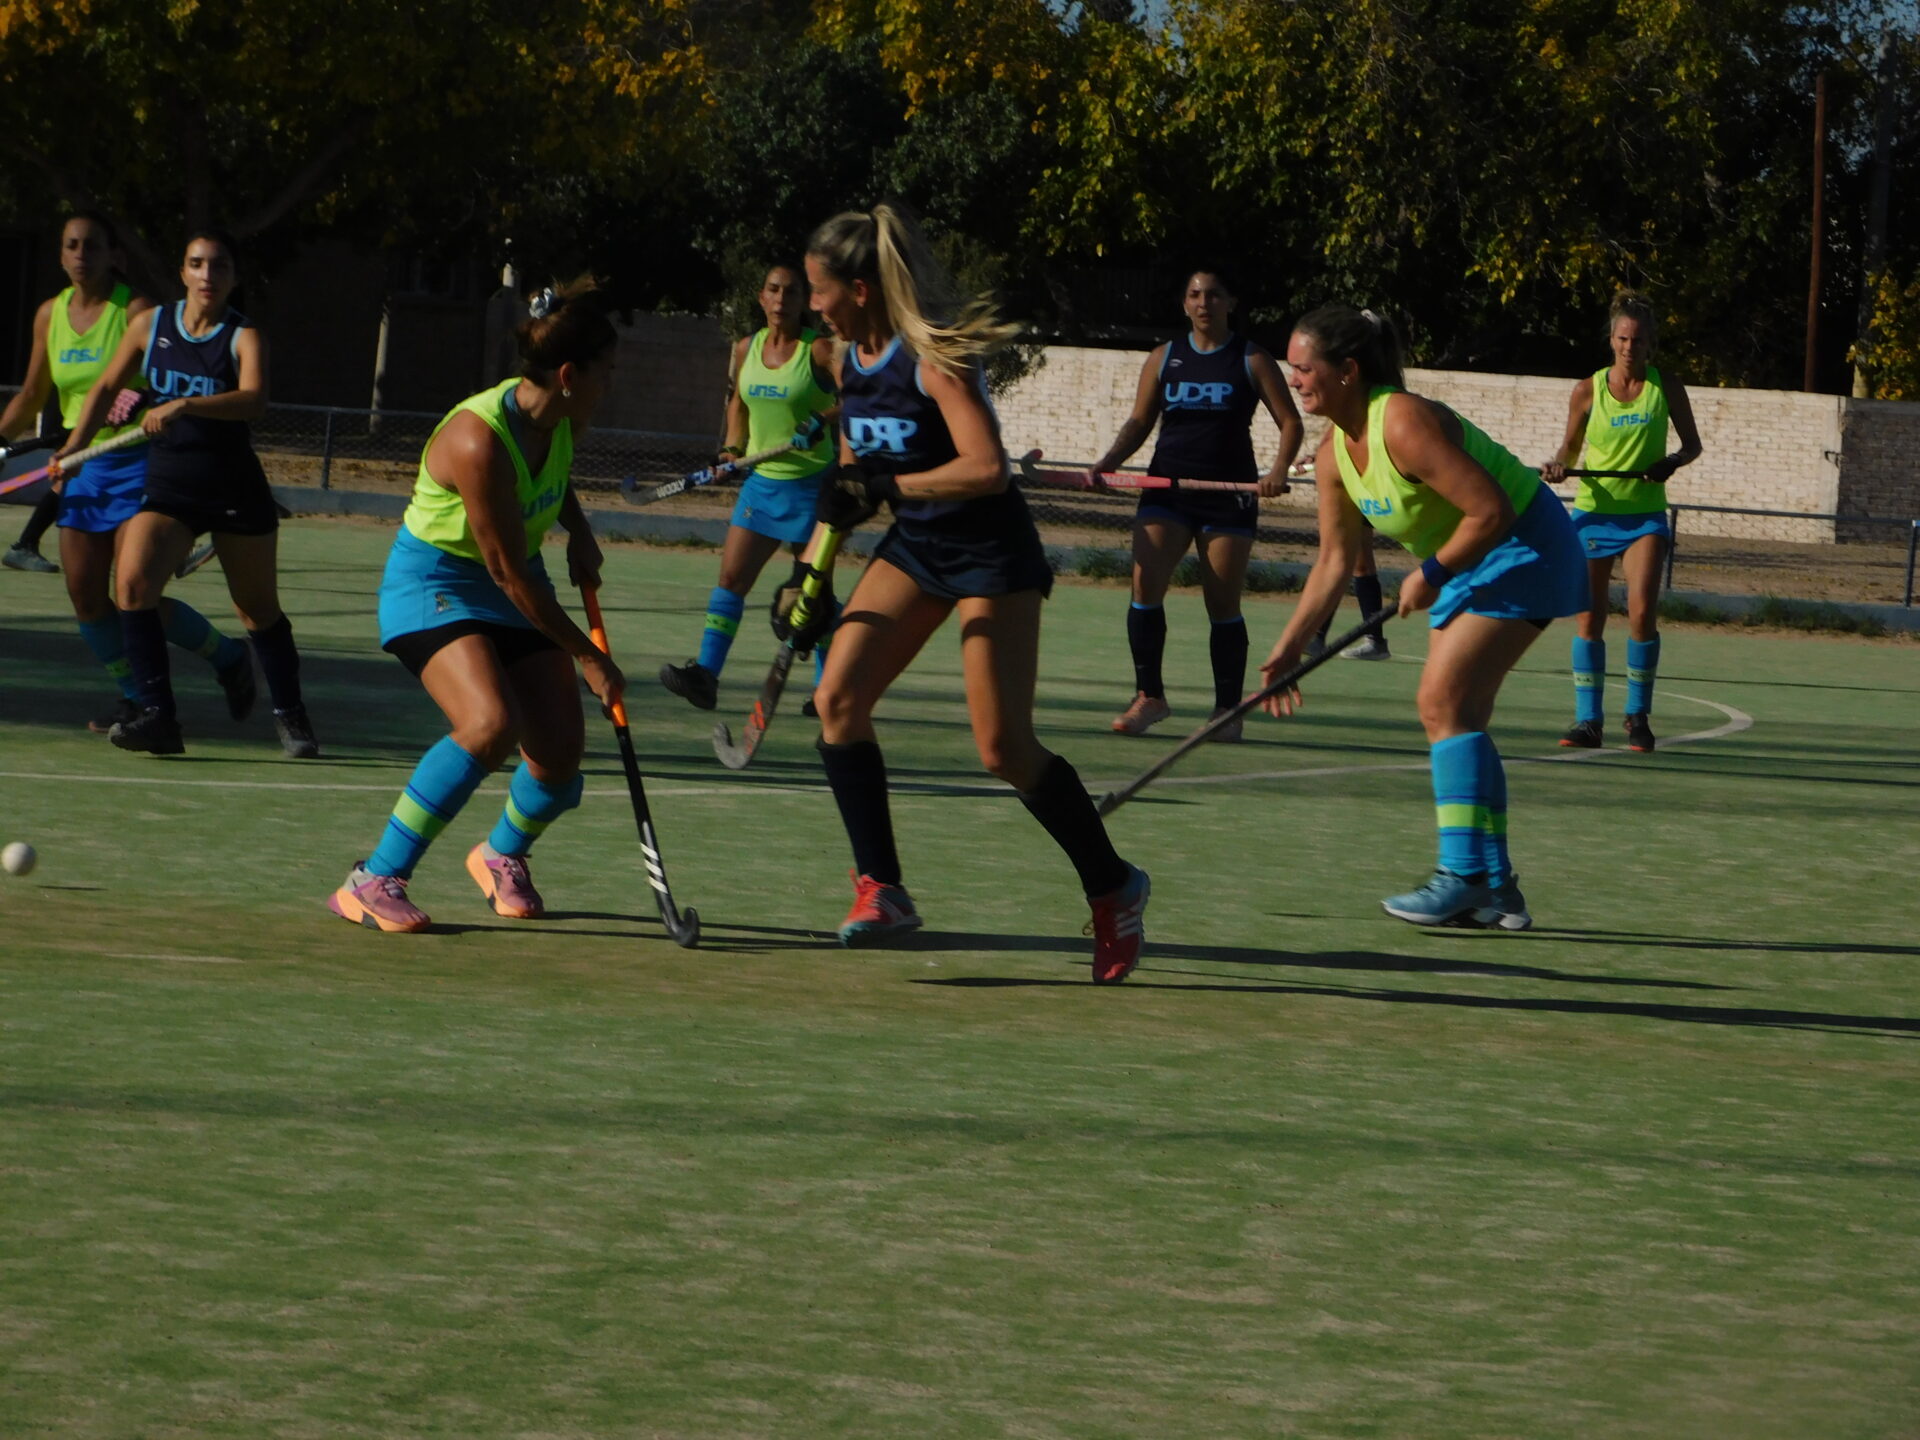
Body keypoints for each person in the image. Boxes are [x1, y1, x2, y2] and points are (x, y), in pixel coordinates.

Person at [799, 205, 1149, 983]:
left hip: (991, 554)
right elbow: (853, 481)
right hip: (917, 548)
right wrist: (813, 576)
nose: (812, 304)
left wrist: (888, 487)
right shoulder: (846, 362)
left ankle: (1114, 887)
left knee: (1003, 749)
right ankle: (882, 889)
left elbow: (987, 467)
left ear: (860, 289)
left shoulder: (933, 360)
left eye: (820, 290)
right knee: (837, 701)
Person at [1260, 304, 1587, 930]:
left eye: (1304, 368)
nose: (1294, 380)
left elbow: (1491, 510)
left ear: (1347, 370)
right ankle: (1496, 887)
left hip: (1526, 545)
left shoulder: (1402, 421)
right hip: (1473, 558)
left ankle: (1462, 876)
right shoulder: (1332, 456)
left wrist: (1430, 573)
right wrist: (1291, 645)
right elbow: (1333, 561)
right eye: (1291, 368)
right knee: (1460, 717)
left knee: (1441, 703)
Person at [328, 279, 624, 933]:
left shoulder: (562, 417)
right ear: (568, 375)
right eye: (605, 371)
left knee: (559, 756)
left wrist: (577, 529)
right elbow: (509, 575)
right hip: (436, 582)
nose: (612, 384)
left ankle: (500, 855)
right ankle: (373, 879)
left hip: (513, 579)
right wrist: (589, 656)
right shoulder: (476, 439)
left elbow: (550, 476)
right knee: (490, 723)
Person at [60, 229, 313, 757]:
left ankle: (291, 714)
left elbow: (254, 400)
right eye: (196, 264)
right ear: (182, 272)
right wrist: (74, 449)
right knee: (132, 587)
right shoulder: (151, 325)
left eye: (219, 266)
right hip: (170, 487)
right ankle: (159, 718)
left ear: (233, 278)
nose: (207, 275)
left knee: (257, 610)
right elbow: (105, 387)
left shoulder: (244, 336)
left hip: (232, 486)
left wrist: (186, 405)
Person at [6, 216, 254, 732]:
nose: (82, 255)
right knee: (85, 595)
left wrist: (140, 395)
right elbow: (31, 394)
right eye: (72, 245)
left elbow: (166, 376)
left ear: (114, 255)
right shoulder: (49, 314)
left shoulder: (137, 311)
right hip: (82, 465)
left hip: (141, 461)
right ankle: (136, 695)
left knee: (134, 592)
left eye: (93, 246)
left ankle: (225, 658)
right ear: (60, 255)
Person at [1088, 269, 1302, 741]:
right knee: (1145, 586)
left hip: (1228, 496)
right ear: (1184, 304)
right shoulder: (1164, 357)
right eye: (1195, 295)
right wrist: (1107, 463)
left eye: (1214, 295)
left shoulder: (1251, 358)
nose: (1204, 303)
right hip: (1167, 491)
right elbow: (1139, 420)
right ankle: (1150, 696)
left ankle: (1227, 711)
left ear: (1231, 302)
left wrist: (1278, 471)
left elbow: (1290, 422)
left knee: (1222, 603)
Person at [660, 264, 839, 711]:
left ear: (804, 301)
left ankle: (828, 690)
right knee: (730, 580)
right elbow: (738, 403)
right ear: (761, 297)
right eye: (773, 290)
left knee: (814, 595)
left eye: (791, 292)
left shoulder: (819, 351)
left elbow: (861, 396)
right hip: (761, 485)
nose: (781, 299)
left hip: (812, 486)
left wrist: (823, 419)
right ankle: (706, 675)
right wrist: (730, 450)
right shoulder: (746, 348)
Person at [1541, 291, 1702, 753]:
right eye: (1623, 339)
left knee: (1641, 612)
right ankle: (1589, 721)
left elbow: (1692, 445)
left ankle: (1637, 715)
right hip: (1594, 514)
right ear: (1612, 340)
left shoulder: (1665, 386)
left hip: (1644, 517)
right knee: (1589, 618)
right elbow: (1571, 449)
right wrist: (1559, 464)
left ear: (1651, 343)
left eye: (1639, 340)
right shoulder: (1587, 390)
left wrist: (1671, 462)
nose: (1630, 347)